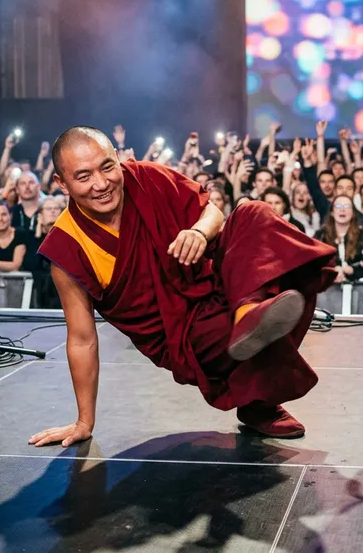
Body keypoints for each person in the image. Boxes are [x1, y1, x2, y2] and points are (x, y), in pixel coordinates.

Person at [29, 127, 336, 448]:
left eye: (107, 167)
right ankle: (257, 388)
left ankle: (249, 318)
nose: (101, 184)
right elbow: (81, 340)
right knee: (249, 320)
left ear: (117, 159)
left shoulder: (145, 178)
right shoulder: (67, 246)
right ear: (62, 184)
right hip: (186, 333)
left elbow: (213, 212)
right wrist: (84, 421)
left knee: (252, 212)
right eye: (84, 176)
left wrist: (200, 233)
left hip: (216, 281)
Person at [315, 194, 363, 284]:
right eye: (338, 206)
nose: (342, 209)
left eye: (347, 206)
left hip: (358, 290)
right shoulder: (320, 235)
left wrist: (352, 270)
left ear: (353, 213)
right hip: (326, 291)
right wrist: (331, 271)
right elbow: (313, 264)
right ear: (332, 212)